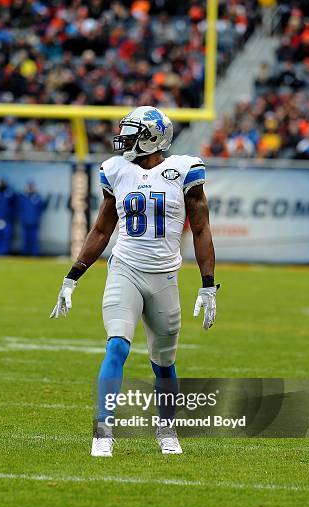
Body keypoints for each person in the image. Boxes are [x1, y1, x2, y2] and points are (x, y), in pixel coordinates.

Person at [50, 106, 218, 457]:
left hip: (165, 277)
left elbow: (201, 228)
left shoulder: (183, 171)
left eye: (133, 131)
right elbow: (101, 229)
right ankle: (103, 430)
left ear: (154, 137)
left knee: (164, 363)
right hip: (124, 269)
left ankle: (166, 427)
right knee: (117, 345)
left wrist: (207, 283)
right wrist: (72, 277)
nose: (125, 137)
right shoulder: (117, 171)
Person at [17, 181, 47, 256]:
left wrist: (37, 218)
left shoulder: (38, 197)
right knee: (25, 240)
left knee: (34, 240)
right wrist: (22, 218)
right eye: (29, 187)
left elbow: (42, 208)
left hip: (34, 223)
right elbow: (18, 209)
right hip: (25, 223)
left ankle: (35, 255)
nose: (30, 189)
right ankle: (24, 255)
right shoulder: (23, 197)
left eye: (31, 187)